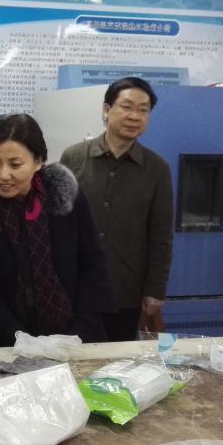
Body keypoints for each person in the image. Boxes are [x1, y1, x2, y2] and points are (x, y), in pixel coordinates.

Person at [0, 114, 114, 348]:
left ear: (38, 161)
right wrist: (20, 339)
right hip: (13, 344)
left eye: (15, 165)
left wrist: (78, 332)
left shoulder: (67, 198)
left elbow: (92, 265)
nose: (3, 175)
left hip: (78, 337)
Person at [60, 77, 173, 341]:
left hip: (126, 289)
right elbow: (59, 224)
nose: (134, 116)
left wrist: (155, 289)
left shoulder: (157, 169)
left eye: (143, 110)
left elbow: (161, 235)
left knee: (119, 359)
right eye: (127, 106)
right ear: (106, 109)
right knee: (72, 356)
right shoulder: (73, 158)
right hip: (76, 286)